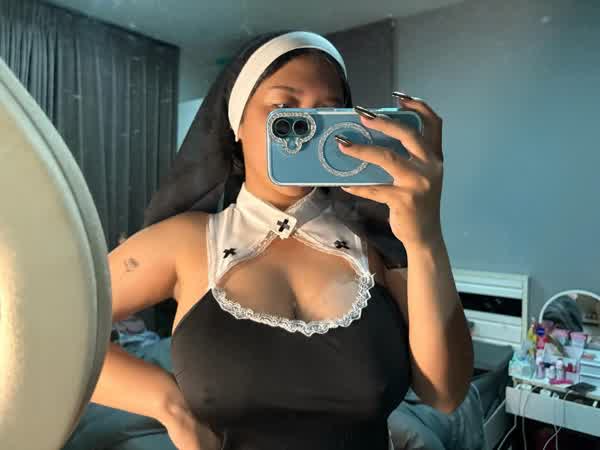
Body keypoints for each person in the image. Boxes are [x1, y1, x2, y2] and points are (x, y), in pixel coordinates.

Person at [90, 30, 473, 450]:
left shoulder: (378, 246)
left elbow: (445, 394)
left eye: (327, 113)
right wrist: (169, 405)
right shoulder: (185, 241)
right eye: (283, 110)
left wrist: (425, 237)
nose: (305, 131)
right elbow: (56, 328)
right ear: (237, 124)